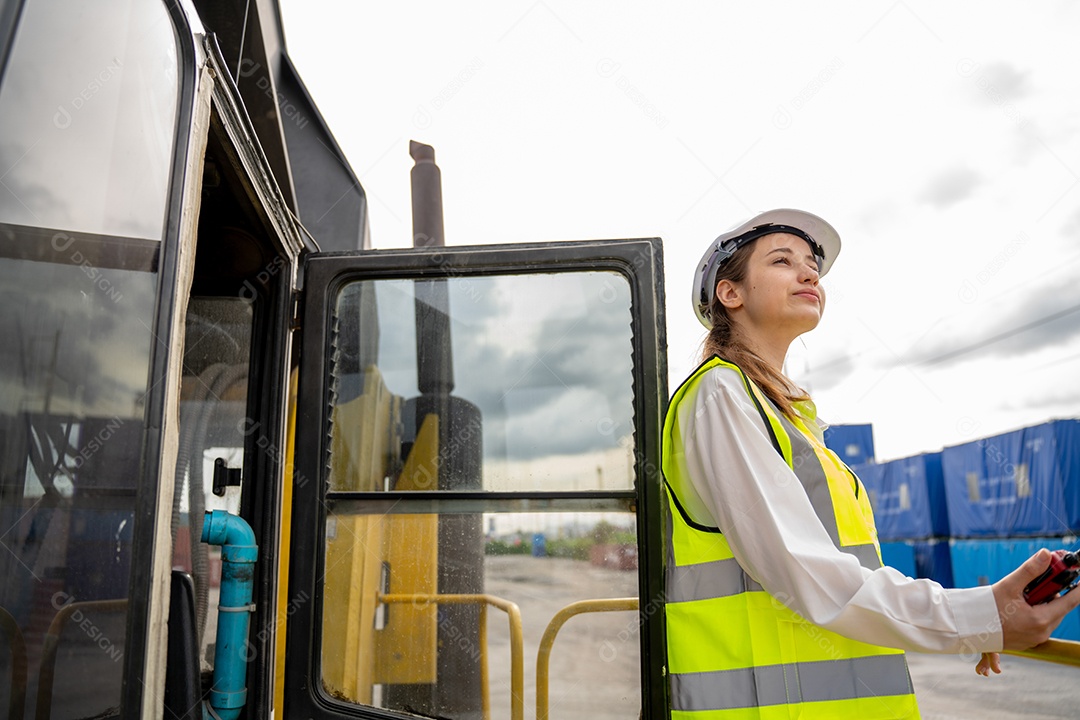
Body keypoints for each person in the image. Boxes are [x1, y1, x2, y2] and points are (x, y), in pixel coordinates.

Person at [662, 209, 1080, 719]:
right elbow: (803, 569)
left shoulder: (783, 416)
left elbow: (844, 567)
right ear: (732, 293)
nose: (809, 272)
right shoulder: (719, 394)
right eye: (782, 260)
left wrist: (966, 622)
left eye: (812, 264)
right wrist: (973, 616)